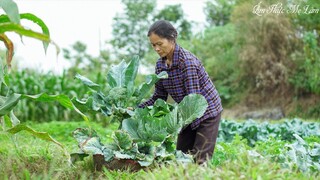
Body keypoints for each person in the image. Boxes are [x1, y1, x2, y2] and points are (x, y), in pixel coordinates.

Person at [138, 20, 223, 164]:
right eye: (153, 45)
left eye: (159, 44)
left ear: (172, 38)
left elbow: (194, 101)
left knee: (200, 159)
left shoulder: (187, 62)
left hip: (207, 111)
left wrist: (175, 124)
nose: (157, 49)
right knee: (180, 157)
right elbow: (159, 97)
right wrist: (136, 108)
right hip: (188, 113)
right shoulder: (160, 65)